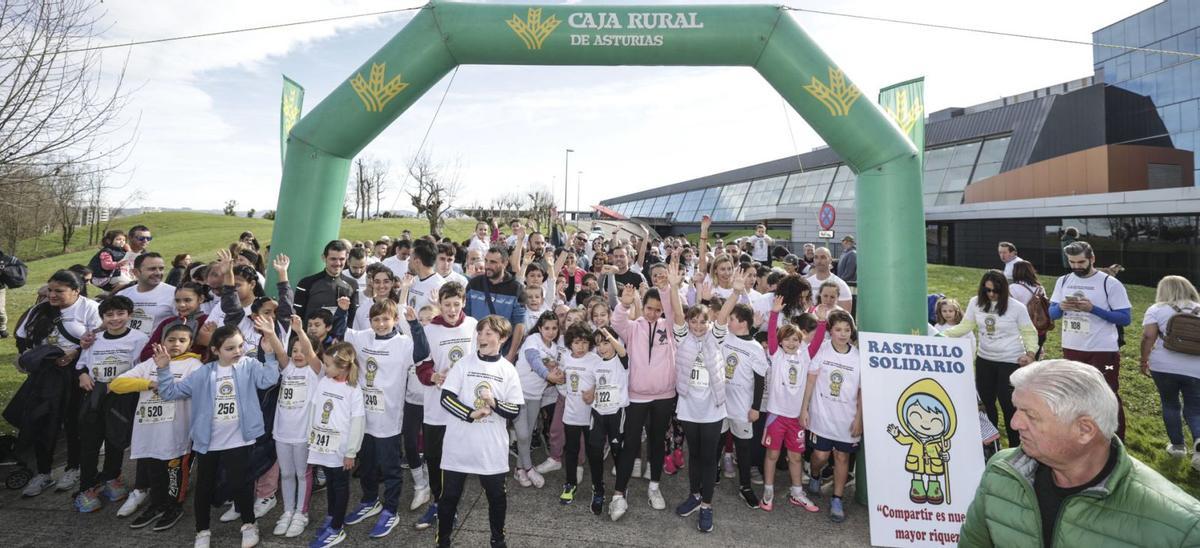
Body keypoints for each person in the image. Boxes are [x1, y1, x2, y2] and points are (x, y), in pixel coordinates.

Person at [960, 359, 1200, 547]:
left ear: (1085, 430)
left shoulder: (1181, 528)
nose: (1014, 424)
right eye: (1017, 410)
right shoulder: (1001, 470)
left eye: (1030, 415)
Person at [155, 319, 287, 548]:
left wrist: (271, 355)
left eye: (239, 346)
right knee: (204, 487)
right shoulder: (202, 373)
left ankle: (249, 525)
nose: (237, 352)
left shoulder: (249, 364)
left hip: (240, 438)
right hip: (209, 440)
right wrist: (164, 368)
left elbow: (269, 380)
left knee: (241, 484)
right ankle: (202, 531)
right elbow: (169, 392)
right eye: (229, 348)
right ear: (215, 350)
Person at [342, 299, 428, 539]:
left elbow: (422, 352)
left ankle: (390, 509)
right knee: (366, 464)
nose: (380, 324)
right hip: (363, 417)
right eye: (376, 319)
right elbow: (341, 334)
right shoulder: (362, 338)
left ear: (395, 320)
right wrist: (343, 310)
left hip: (388, 419)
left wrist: (415, 325)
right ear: (370, 321)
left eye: (385, 319)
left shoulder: (403, 344)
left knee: (390, 468)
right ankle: (370, 500)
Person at [436, 315, 524, 548]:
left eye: (488, 333)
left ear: (502, 339)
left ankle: (498, 539)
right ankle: (442, 541)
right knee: (449, 498)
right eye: (480, 332)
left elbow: (514, 410)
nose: (482, 337)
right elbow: (446, 398)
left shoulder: (508, 370)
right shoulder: (464, 364)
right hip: (458, 446)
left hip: (490, 449)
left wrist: (494, 403)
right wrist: (470, 414)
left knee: (496, 498)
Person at [12, 270, 101, 497]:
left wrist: (74, 353)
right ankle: (42, 473)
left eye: (59, 291)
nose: (52, 295)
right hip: (46, 375)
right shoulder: (39, 310)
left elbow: (100, 339)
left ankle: (74, 468)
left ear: (76, 291)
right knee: (42, 420)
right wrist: (32, 357)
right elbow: (22, 338)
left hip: (76, 373)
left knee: (74, 422)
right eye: (50, 290)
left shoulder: (89, 308)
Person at [109, 324, 204, 531]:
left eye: (182, 340)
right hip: (148, 432)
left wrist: (164, 374)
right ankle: (156, 505)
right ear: (162, 342)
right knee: (154, 473)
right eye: (171, 340)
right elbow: (116, 384)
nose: (176, 344)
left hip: (175, 434)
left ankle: (173, 506)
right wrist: (148, 384)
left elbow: (189, 390)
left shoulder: (193, 366)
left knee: (174, 474)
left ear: (190, 344)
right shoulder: (148, 364)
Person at [940, 271, 1037, 448]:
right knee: (986, 404)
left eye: (995, 291)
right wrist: (941, 335)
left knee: (1009, 405)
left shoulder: (1016, 307)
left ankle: (1016, 448)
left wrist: (1030, 354)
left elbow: (1029, 332)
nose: (991, 294)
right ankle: (992, 447)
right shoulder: (975, 303)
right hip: (985, 359)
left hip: (1010, 361)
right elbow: (966, 326)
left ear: (1004, 290)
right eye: (987, 290)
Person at [72, 295, 149, 512]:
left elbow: (141, 367)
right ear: (103, 317)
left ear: (129, 315)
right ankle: (86, 487)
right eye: (109, 315)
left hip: (122, 397)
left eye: (120, 314)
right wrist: (83, 375)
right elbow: (82, 364)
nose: (115, 319)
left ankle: (111, 478)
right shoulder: (94, 338)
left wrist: (121, 384)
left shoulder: (138, 338)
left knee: (115, 439)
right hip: (95, 396)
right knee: (90, 442)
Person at [609, 278, 676, 521]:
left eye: (658, 309)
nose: (652, 313)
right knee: (631, 443)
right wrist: (624, 305)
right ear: (643, 305)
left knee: (657, 442)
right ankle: (618, 494)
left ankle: (654, 488)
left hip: (664, 395)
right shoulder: (633, 326)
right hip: (636, 396)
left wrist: (669, 291)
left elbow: (674, 314)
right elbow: (616, 322)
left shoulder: (668, 326)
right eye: (649, 308)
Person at [1049, 241, 1132, 439]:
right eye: (1072, 262)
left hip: (1102, 349)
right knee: (1077, 395)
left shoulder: (1109, 283)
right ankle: (1084, 435)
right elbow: (1052, 313)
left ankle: (1116, 439)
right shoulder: (1063, 281)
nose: (1076, 266)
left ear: (1092, 259)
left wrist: (1092, 309)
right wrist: (1061, 306)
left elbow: (1125, 318)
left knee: (1107, 394)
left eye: (1081, 262)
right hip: (1072, 347)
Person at [414, 282, 477, 531]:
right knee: (433, 457)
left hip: (462, 407)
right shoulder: (429, 330)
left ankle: (449, 505)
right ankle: (438, 502)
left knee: (457, 459)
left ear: (463, 303)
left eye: (456, 304)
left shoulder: (473, 326)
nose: (452, 310)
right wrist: (432, 376)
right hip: (435, 409)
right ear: (439, 304)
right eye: (447, 304)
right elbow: (421, 365)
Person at [713, 270, 768, 510]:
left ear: (742, 323)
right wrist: (736, 293)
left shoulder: (755, 348)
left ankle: (745, 485)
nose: (728, 322)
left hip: (743, 407)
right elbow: (721, 315)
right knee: (717, 441)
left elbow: (759, 380)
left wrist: (756, 407)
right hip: (720, 403)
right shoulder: (724, 336)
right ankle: (713, 471)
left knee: (743, 448)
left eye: (733, 319)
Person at [800, 309, 862, 523]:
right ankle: (815, 474)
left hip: (847, 418)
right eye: (838, 329)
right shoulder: (821, 351)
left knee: (842, 457)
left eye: (847, 329)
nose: (843, 334)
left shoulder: (858, 357)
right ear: (830, 331)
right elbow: (810, 381)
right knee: (820, 456)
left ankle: (837, 499)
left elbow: (862, 392)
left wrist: (859, 419)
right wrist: (804, 409)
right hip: (822, 416)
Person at [761, 299, 822, 513]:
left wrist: (822, 322)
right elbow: (770, 335)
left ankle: (797, 492)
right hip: (776, 415)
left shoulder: (805, 356)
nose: (791, 343)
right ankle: (768, 490)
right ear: (780, 342)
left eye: (795, 339)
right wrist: (774, 313)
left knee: (795, 456)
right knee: (772, 455)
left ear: (800, 341)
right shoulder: (775, 355)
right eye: (786, 339)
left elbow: (816, 342)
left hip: (796, 418)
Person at [305, 342, 367, 548]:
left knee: (340, 486)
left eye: (329, 365)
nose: (325, 368)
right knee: (330, 483)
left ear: (343, 367)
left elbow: (358, 423)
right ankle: (332, 516)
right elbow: (314, 408)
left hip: (340, 450)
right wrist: (310, 436)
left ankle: (337, 528)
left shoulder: (353, 390)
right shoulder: (324, 382)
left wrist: (351, 452)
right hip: (322, 445)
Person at [1139, 275, 1200, 472]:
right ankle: (1198, 439)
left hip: (1163, 366)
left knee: (1170, 404)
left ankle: (1177, 447)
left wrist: (1143, 360)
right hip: (1196, 369)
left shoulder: (1156, 309)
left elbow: (1148, 337)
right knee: (1195, 408)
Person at [270, 316, 322, 539]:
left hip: (303, 435)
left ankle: (302, 513)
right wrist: (270, 332)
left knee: (303, 474)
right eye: (295, 350)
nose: (298, 354)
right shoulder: (288, 368)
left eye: (302, 350)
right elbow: (280, 351)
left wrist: (300, 331)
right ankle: (288, 511)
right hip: (281, 433)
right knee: (287, 474)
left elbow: (310, 354)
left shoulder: (315, 371)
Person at [464, 247, 526, 364]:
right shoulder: (474, 284)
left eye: (493, 262)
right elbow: (465, 316)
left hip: (501, 353)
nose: (487, 265)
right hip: (473, 350)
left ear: (504, 263)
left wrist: (511, 354)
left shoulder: (516, 289)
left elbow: (519, 324)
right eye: (486, 260)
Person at [295, 240, 359, 327]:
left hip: (339, 339)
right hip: (311, 338)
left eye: (341, 259)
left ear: (347, 258)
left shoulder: (352, 284)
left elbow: (353, 318)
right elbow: (297, 317)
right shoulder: (306, 283)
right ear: (324, 258)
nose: (338, 263)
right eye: (333, 259)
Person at [118, 252, 177, 337]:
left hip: (158, 348)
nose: (158, 273)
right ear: (136, 272)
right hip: (128, 346)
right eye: (152, 269)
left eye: (161, 269)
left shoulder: (174, 294)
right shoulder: (123, 295)